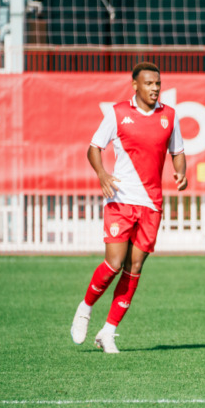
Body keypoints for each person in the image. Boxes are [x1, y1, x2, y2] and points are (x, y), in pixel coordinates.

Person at [70, 62, 187, 354]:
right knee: (113, 264)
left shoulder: (169, 116)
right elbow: (93, 148)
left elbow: (179, 152)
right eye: (149, 83)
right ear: (135, 85)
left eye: (158, 84)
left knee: (134, 268)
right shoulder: (118, 113)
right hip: (121, 199)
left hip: (152, 204)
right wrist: (102, 174)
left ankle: (108, 332)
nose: (155, 88)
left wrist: (181, 172)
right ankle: (84, 309)